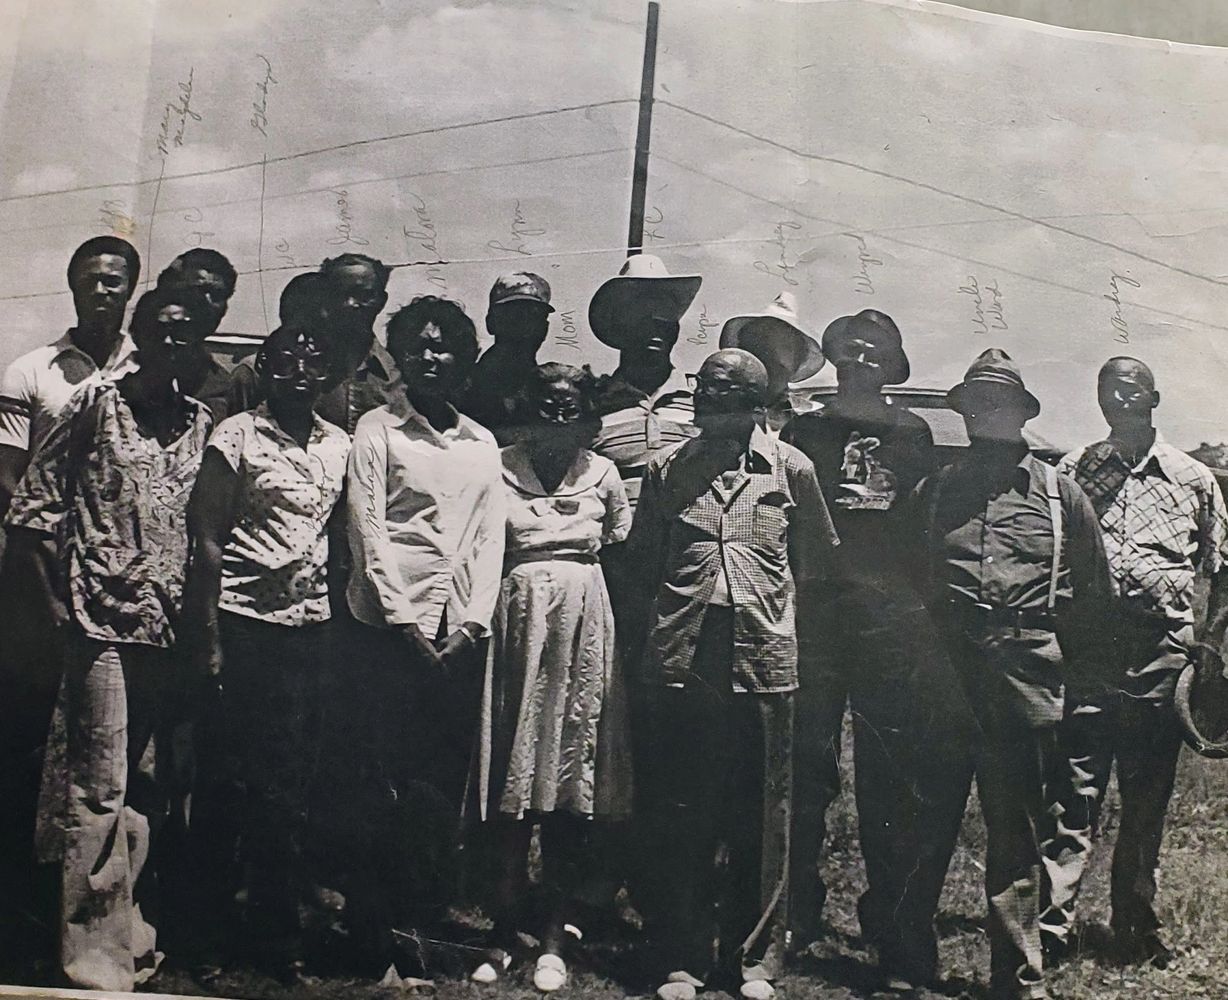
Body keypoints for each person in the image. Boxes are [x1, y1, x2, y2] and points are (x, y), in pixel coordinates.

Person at [4, 286, 215, 991]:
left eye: (190, 333)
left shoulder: (200, 421)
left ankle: (132, 943)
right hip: (99, 619)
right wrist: (58, 609)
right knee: (95, 790)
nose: (175, 343)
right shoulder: (94, 402)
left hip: (167, 626)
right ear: (141, 332)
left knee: (144, 789)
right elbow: (33, 511)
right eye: (162, 329)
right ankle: (91, 961)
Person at [630, 349, 838, 1000]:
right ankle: (683, 960)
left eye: (724, 395)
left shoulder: (792, 469)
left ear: (754, 403)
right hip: (684, 655)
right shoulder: (667, 469)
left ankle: (754, 962)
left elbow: (817, 565)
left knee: (763, 812)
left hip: (765, 655)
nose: (707, 404)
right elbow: (642, 558)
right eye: (703, 392)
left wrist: (778, 617)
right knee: (683, 809)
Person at [780, 308, 976, 988]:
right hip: (815, 610)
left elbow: (925, 527)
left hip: (889, 614)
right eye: (850, 346)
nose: (862, 355)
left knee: (891, 775)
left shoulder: (912, 431)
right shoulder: (803, 428)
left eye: (876, 348)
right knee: (805, 765)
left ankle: (894, 929)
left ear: (892, 364)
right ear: (832, 357)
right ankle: (790, 918)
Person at [912, 349, 1112, 1000]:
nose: (984, 417)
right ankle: (908, 962)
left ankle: (1019, 978)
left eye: (996, 405)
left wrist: (1081, 692)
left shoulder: (1061, 494)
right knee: (927, 819)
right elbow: (908, 582)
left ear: (1020, 415)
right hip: (947, 671)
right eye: (974, 405)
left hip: (1026, 670)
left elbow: (1095, 599)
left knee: (1017, 826)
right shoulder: (937, 488)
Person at [1039, 357, 1228, 968]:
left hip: (1161, 656)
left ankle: (1135, 928)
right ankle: (1052, 930)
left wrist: (1211, 653)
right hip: (1089, 651)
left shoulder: (1193, 477)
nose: (1117, 397)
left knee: (1146, 799)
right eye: (1105, 388)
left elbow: (1221, 569)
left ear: (1154, 396)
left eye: (1130, 386)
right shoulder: (1074, 469)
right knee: (1074, 793)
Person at [182, 325, 350, 979]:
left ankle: (276, 939)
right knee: (225, 785)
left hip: (311, 631)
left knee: (288, 791)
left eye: (312, 364)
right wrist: (212, 641)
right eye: (285, 363)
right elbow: (208, 543)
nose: (299, 375)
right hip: (243, 623)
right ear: (266, 371)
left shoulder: (341, 446)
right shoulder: (236, 436)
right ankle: (202, 937)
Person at [341, 295, 504, 967]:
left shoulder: (480, 441)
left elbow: (489, 538)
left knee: (437, 788)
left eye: (446, 348)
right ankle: (370, 932)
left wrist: (470, 625)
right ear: (401, 356)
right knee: (378, 781)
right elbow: (368, 532)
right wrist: (405, 624)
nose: (432, 358)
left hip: (457, 633)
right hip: (385, 630)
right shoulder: (377, 430)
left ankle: (424, 927)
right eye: (420, 346)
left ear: (465, 360)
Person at [0, 235, 141, 967]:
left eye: (116, 281)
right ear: (71, 285)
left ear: (132, 288)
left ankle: (98, 910)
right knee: (27, 740)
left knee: (105, 755)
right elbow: (9, 479)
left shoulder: (151, 364)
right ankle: (18, 909)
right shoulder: (34, 370)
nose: (102, 291)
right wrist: (47, 584)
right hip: (42, 577)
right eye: (90, 280)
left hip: (121, 587)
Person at [473, 363, 632, 992]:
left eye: (570, 407)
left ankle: (555, 932)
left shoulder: (603, 473)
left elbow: (616, 537)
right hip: (515, 624)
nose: (557, 417)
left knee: (572, 777)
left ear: (586, 414)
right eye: (545, 404)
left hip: (583, 626)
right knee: (513, 778)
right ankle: (503, 925)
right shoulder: (498, 464)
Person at [155, 247, 255, 421]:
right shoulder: (126, 365)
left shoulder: (223, 386)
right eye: (196, 291)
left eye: (217, 295)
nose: (206, 303)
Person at [461, 272, 554, 437]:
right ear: (490, 323)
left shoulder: (551, 394)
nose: (524, 328)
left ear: (544, 329)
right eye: (514, 316)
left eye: (533, 316)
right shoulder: (462, 386)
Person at [718, 292, 824, 435]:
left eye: (782, 344)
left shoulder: (813, 424)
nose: (764, 352)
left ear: (797, 359)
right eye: (756, 340)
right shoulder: (714, 410)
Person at [315, 253, 397, 434]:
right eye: (338, 294)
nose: (350, 304)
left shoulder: (400, 377)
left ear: (381, 302)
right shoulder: (282, 372)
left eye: (363, 295)